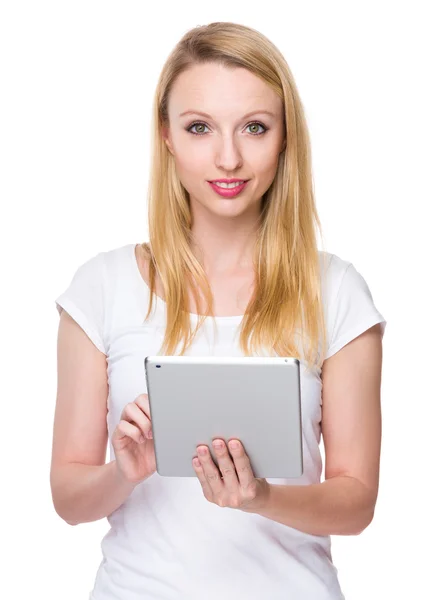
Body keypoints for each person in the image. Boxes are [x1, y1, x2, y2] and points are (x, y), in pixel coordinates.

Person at [51, 21, 387, 600]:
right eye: (200, 127)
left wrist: (262, 497)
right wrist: (124, 471)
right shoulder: (102, 287)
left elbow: (356, 503)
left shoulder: (336, 293)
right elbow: (68, 500)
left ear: (284, 139)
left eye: (254, 128)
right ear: (167, 137)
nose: (228, 158)